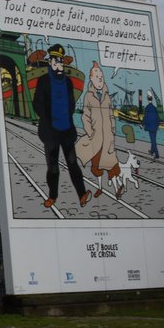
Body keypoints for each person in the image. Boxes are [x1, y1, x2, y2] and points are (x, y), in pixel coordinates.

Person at [32, 44, 90, 209]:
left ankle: (82, 194)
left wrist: (66, 116)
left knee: (73, 163)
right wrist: (48, 119)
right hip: (50, 132)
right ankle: (52, 196)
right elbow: (37, 103)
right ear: (50, 61)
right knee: (53, 167)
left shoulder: (68, 82)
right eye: (55, 60)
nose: (59, 63)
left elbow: (72, 103)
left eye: (61, 61)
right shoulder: (43, 81)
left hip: (66, 131)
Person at [75, 61, 122, 198]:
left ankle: (117, 188)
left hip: (107, 137)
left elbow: (111, 114)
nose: (100, 78)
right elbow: (85, 116)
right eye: (97, 76)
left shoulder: (107, 96)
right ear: (91, 79)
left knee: (111, 164)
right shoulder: (88, 96)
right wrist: (90, 132)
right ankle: (100, 187)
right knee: (96, 165)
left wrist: (113, 129)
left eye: (101, 76)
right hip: (96, 138)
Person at [144, 90, 161, 159]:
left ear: (148, 100)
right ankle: (151, 151)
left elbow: (146, 118)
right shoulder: (155, 108)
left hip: (150, 127)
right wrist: (158, 125)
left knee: (153, 141)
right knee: (153, 139)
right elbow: (157, 118)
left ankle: (157, 154)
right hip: (155, 127)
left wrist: (142, 124)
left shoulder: (147, 108)